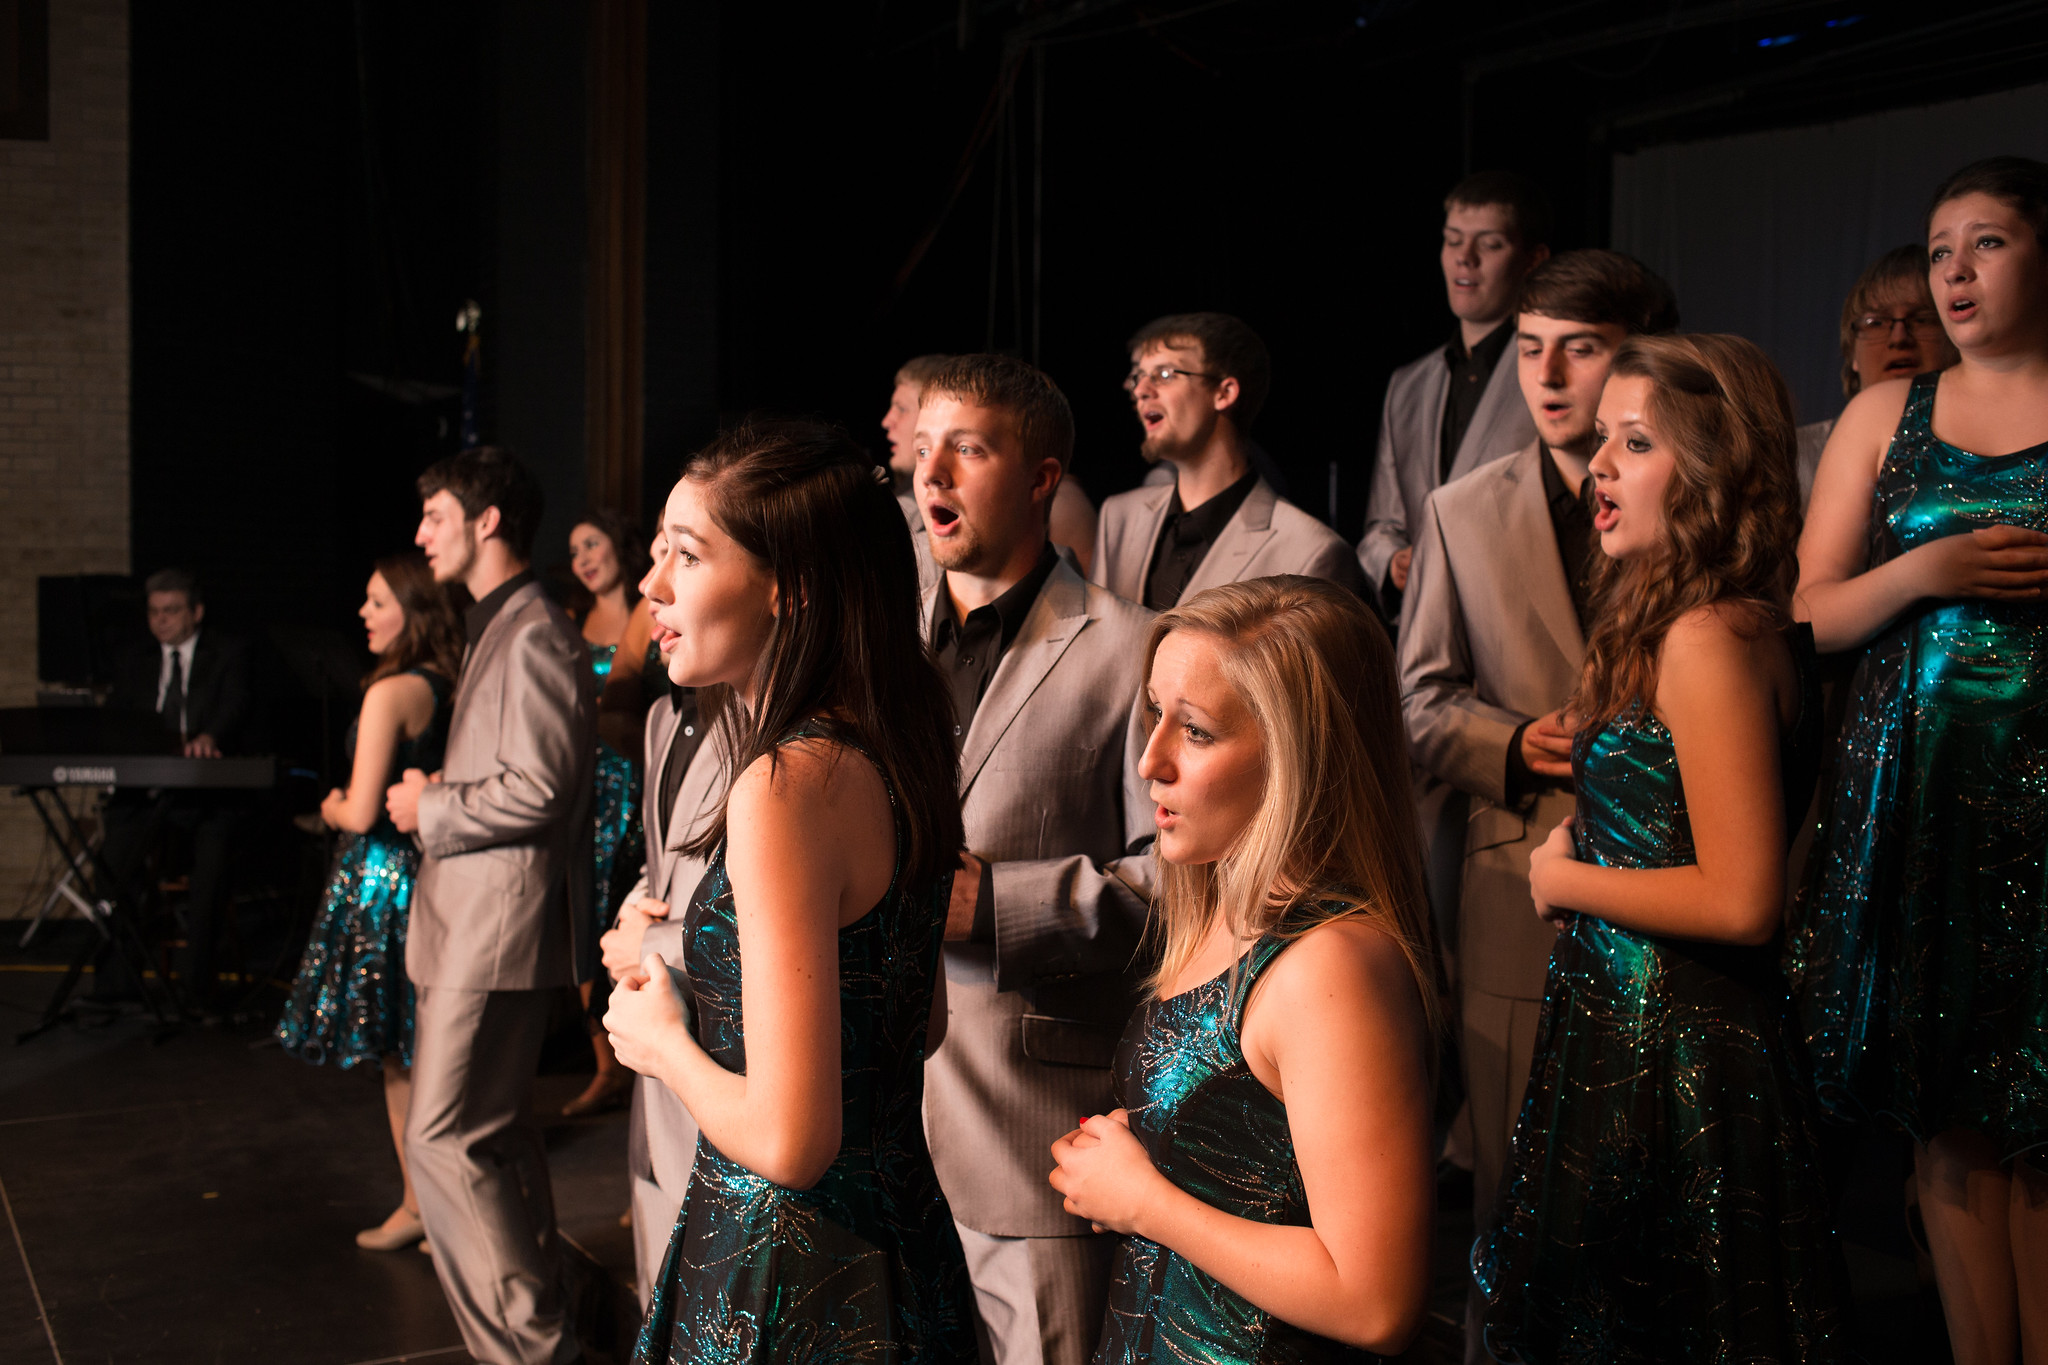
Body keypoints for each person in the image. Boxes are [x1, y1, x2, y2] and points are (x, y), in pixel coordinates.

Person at [1475, 334, 1846, 1360]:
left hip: (1672, 1051)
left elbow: (1740, 899)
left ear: (1712, 469)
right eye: (1600, 441)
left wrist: (1565, 877)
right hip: (1628, 1026)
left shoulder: (1708, 639)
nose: (1596, 466)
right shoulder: (1680, 620)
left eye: (1632, 443)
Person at [602, 419, 975, 1364]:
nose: (652, 586)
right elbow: (913, 1025)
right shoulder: (898, 745)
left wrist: (665, 1044)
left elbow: (791, 1142)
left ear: (790, 585)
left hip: (791, 1271)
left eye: (687, 554)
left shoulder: (785, 786)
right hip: (902, 1244)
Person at [1789, 156, 2048, 1365]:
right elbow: (1810, 612)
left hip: (2041, 810)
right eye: (1939, 249)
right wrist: (1921, 575)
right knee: (1946, 1111)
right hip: (1926, 801)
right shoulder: (1882, 416)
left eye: (1984, 244)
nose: (1951, 273)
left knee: (2040, 1112)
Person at [1396, 248, 1676, 1364]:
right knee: (1517, 1206)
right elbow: (1415, 704)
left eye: (1580, 348)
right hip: (1516, 892)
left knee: (1654, 1201)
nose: (1547, 376)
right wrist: (1510, 743)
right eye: (1526, 350)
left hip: (1671, 882)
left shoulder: (1695, 501)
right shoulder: (1463, 508)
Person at [1048, 575, 1439, 1362]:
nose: (1150, 760)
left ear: (1300, 756)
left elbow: (1374, 1300)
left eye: (1194, 731)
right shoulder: (1221, 912)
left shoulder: (1331, 966)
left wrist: (1147, 1199)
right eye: (1154, 714)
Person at [910, 355, 1156, 1365]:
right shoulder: (875, 647)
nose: (933, 477)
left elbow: (1179, 883)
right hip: (870, 1134)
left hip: (1030, 1134)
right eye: (922, 451)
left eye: (966, 450)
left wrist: (1002, 905)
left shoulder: (1133, 646)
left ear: (1043, 474)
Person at [386, 446, 596, 1365]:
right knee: (495, 1135)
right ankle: (543, 1330)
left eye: (435, 515)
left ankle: (527, 1349)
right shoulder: (502, 622)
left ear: (487, 521)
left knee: (441, 1141)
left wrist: (426, 804)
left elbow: (542, 786)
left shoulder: (536, 629)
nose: (421, 533)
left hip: (491, 930)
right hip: (480, 925)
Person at [275, 551, 460, 1253]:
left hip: (383, 878)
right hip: (434, 873)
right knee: (426, 1047)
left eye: (378, 600)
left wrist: (327, 805)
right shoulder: (451, 680)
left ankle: (418, 1202)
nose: (364, 613)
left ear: (412, 610)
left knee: (397, 1056)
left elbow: (358, 811)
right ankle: (428, 1201)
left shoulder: (390, 692)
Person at [1359, 171, 1550, 620]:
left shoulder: (1553, 375)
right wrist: (1391, 560)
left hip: (1517, 625)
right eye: (1453, 240)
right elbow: (1380, 526)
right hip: (1421, 636)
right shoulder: (1407, 385)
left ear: (1533, 260)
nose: (1465, 259)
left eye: (1489, 244)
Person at [1093, 312, 1365, 609]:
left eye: (1165, 374)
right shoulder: (1118, 518)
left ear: (1224, 393)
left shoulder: (1312, 553)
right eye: (1138, 376)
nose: (1141, 391)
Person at [99, 567, 256, 1012]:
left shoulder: (228, 654)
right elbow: (117, 718)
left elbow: (234, 704)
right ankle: (115, 984)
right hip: (146, 791)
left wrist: (211, 737)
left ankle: (195, 986)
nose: (161, 621)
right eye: (154, 612)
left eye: (171, 611)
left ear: (196, 612)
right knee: (113, 861)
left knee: (212, 861)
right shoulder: (136, 660)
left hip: (206, 794)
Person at [562, 509, 656, 1119]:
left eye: (592, 543)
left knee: (633, 911)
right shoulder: (569, 623)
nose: (583, 558)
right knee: (586, 919)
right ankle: (606, 1064)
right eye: (572, 551)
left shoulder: (653, 610)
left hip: (640, 780)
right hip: (589, 786)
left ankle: (641, 1067)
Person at [888, 352, 1102, 577]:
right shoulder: (899, 588)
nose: (929, 474)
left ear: (1039, 479)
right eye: (923, 451)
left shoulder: (1067, 507)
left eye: (966, 450)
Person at [1795, 244, 1960, 504]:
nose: (1899, 338)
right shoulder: (1797, 457)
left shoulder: (1989, 448)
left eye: (1922, 319)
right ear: (1852, 354)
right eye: (1876, 323)